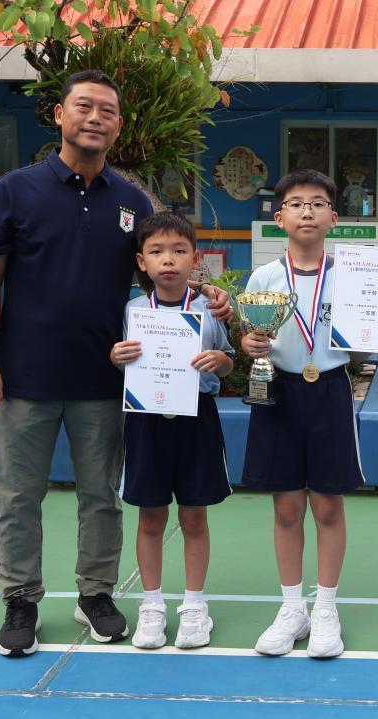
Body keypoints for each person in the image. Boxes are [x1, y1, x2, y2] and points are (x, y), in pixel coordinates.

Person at [0, 69, 230, 657]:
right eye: (82, 107)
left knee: (102, 497)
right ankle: (20, 599)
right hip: (25, 377)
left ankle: (96, 594)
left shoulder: (133, 202)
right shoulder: (15, 189)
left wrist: (212, 297)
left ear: (117, 125)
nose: (94, 118)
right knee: (17, 496)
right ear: (59, 116)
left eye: (106, 111)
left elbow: (164, 268)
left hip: (109, 379)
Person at [240, 169, 378, 658]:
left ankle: (326, 608)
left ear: (334, 218)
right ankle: (292, 607)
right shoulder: (265, 278)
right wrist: (249, 341)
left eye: (318, 204)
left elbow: (372, 341)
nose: (307, 211)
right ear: (279, 219)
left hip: (332, 391)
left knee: (329, 506)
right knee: (287, 507)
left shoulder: (358, 275)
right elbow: (251, 340)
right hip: (278, 393)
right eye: (296, 204)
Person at [110, 213, 234, 650]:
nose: (169, 260)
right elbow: (122, 363)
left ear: (194, 259)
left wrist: (220, 361)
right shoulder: (132, 311)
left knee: (194, 516)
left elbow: (228, 358)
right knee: (150, 516)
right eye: (157, 252)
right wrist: (116, 355)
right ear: (142, 262)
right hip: (146, 422)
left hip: (197, 419)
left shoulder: (210, 308)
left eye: (179, 251)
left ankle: (195, 607)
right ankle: (152, 605)